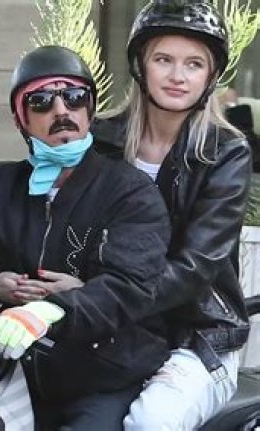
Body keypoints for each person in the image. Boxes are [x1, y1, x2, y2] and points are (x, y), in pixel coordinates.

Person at [0, 45, 171, 430]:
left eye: (74, 97)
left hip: (105, 376)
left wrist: (50, 309)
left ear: (89, 109)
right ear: (22, 119)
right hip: (22, 370)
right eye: (41, 101)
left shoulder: (129, 192)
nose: (61, 110)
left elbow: (129, 286)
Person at [92, 1, 252, 429]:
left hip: (199, 336)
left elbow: (194, 266)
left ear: (210, 76)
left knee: (151, 422)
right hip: (109, 330)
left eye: (193, 64)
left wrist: (98, 298)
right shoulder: (100, 140)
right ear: (140, 65)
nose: (178, 75)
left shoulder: (225, 152)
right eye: (163, 59)